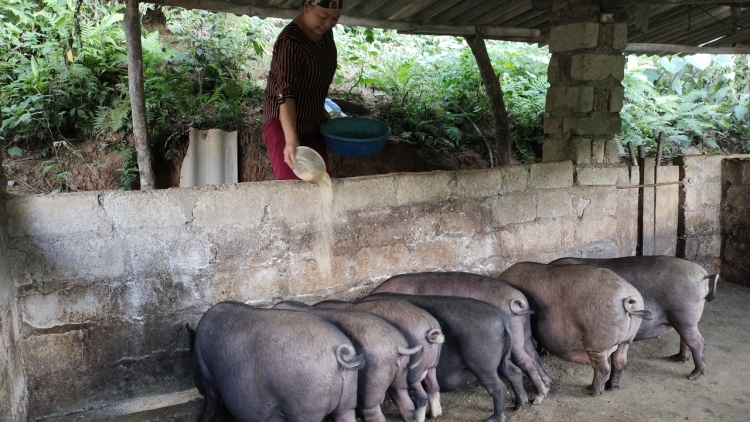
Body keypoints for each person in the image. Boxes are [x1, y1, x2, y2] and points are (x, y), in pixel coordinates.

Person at [261, 0, 343, 180]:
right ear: (307, 7)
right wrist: (290, 141)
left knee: (320, 177)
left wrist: (319, 107)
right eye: (323, 16)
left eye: (335, 18)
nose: (328, 23)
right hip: (283, 118)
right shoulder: (290, 42)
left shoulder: (325, 33)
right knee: (291, 181)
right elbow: (286, 96)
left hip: (310, 118)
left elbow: (316, 76)